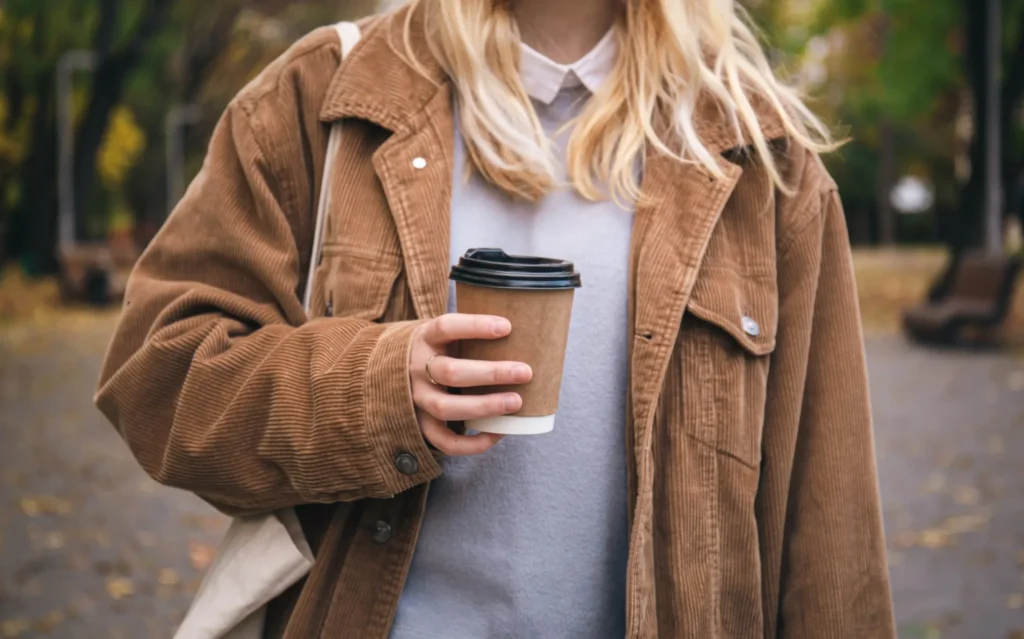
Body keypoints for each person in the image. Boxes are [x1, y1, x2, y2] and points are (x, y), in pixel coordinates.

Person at [96, 0, 897, 636]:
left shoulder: (763, 158)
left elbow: (829, 541)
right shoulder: (321, 99)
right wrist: (373, 391)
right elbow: (159, 372)